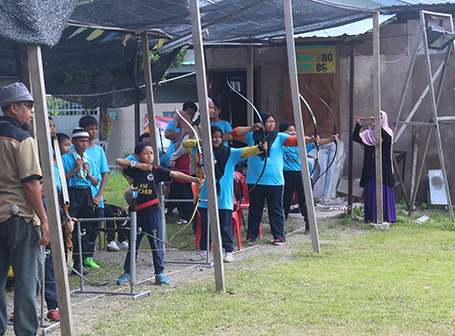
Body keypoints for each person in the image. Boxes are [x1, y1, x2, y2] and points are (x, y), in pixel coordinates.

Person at [0, 81, 50, 336]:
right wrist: (45, 219)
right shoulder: (23, 139)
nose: (31, 112)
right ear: (13, 108)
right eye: (28, 106)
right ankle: (26, 335)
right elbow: (31, 184)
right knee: (26, 276)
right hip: (21, 217)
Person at [229, 113, 336, 244]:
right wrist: (252, 128)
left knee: (276, 209)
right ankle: (252, 235)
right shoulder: (252, 136)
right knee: (255, 209)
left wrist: (309, 139)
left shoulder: (280, 137)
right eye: (268, 122)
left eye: (273, 121)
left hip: (275, 181)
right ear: (261, 123)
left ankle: (279, 236)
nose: (271, 124)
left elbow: (295, 140)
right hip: (255, 180)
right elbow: (235, 133)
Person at [115, 142, 199, 286]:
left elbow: (175, 173)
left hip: (152, 212)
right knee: (133, 245)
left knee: (156, 244)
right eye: (146, 153)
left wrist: (194, 179)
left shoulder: (156, 170)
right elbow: (119, 162)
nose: (150, 155)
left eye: (152, 153)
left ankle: (159, 273)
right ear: (138, 156)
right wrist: (137, 165)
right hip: (137, 213)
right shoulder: (135, 169)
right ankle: (128, 273)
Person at [186, 125, 266, 263]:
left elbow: (246, 151)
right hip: (206, 196)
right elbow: (186, 144)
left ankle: (228, 251)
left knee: (226, 226)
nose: (217, 139)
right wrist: (202, 143)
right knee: (205, 225)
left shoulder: (231, 153)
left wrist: (259, 148)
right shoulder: (201, 152)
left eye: (219, 137)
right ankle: (203, 251)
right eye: (213, 137)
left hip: (224, 198)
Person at [281, 121, 335, 233]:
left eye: (294, 130)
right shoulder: (282, 144)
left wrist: (330, 139)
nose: (293, 133)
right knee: (286, 200)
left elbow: (316, 143)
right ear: (284, 133)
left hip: (301, 174)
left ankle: (309, 225)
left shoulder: (300, 144)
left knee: (304, 200)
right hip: (287, 173)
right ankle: (281, 225)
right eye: (290, 131)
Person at [62, 128, 100, 272]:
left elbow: (96, 182)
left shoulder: (89, 160)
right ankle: (69, 258)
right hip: (72, 193)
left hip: (86, 193)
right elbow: (61, 180)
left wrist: (88, 173)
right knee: (70, 226)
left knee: (86, 227)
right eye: (81, 141)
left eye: (87, 141)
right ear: (73, 142)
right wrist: (75, 169)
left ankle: (80, 261)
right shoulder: (65, 159)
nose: (84, 144)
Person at [353, 111, 397, 223]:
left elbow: (387, 140)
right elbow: (356, 137)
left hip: (383, 168)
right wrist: (358, 126)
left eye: (379, 118)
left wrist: (378, 127)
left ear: (384, 119)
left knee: (383, 190)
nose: (375, 119)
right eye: (374, 118)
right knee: (371, 190)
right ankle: (371, 217)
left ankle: (386, 217)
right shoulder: (368, 134)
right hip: (370, 167)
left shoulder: (387, 132)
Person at [78, 115, 108, 269]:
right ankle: (78, 257)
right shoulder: (74, 150)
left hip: (97, 196)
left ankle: (89, 256)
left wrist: (99, 194)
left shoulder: (98, 150)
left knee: (96, 225)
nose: (94, 132)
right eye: (91, 129)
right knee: (82, 227)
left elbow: (105, 173)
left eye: (96, 129)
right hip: (82, 196)